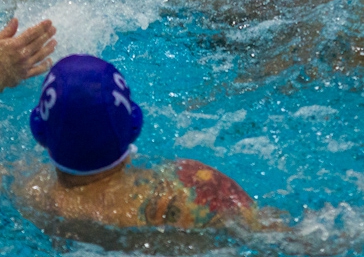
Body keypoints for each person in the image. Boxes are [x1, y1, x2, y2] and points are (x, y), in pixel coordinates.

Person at [16, 54, 255, 229]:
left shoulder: (27, 196)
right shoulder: (188, 186)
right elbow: (274, 236)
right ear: (134, 126)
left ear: (39, 132)